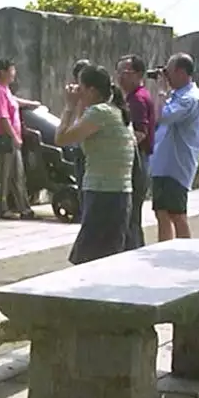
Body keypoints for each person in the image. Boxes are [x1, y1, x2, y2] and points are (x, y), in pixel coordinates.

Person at [56, 65, 136, 264]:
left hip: (102, 193)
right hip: (119, 193)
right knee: (108, 257)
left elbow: (61, 138)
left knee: (89, 259)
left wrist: (69, 107)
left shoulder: (100, 113)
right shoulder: (116, 111)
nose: (78, 93)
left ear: (92, 90)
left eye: (81, 88)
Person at [148, 53, 199, 242]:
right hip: (163, 164)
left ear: (181, 73)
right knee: (162, 213)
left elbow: (163, 116)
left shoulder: (189, 98)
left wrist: (162, 91)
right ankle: (165, 252)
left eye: (168, 71)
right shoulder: (177, 96)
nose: (166, 76)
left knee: (177, 214)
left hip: (176, 166)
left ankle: (186, 255)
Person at [0, 59, 34, 219]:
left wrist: (31, 104)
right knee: (5, 176)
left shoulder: (5, 90)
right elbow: (2, 117)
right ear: (2, 72)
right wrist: (14, 137)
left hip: (11, 139)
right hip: (4, 139)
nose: (14, 73)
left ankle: (23, 208)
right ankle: (2, 209)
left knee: (16, 175)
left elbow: (14, 102)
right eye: (12, 70)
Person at [115, 55, 155, 249]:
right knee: (131, 217)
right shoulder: (134, 97)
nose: (120, 77)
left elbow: (140, 133)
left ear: (138, 75)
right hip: (139, 161)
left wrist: (118, 147)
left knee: (131, 217)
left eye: (125, 72)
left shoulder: (138, 99)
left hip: (138, 162)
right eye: (119, 71)